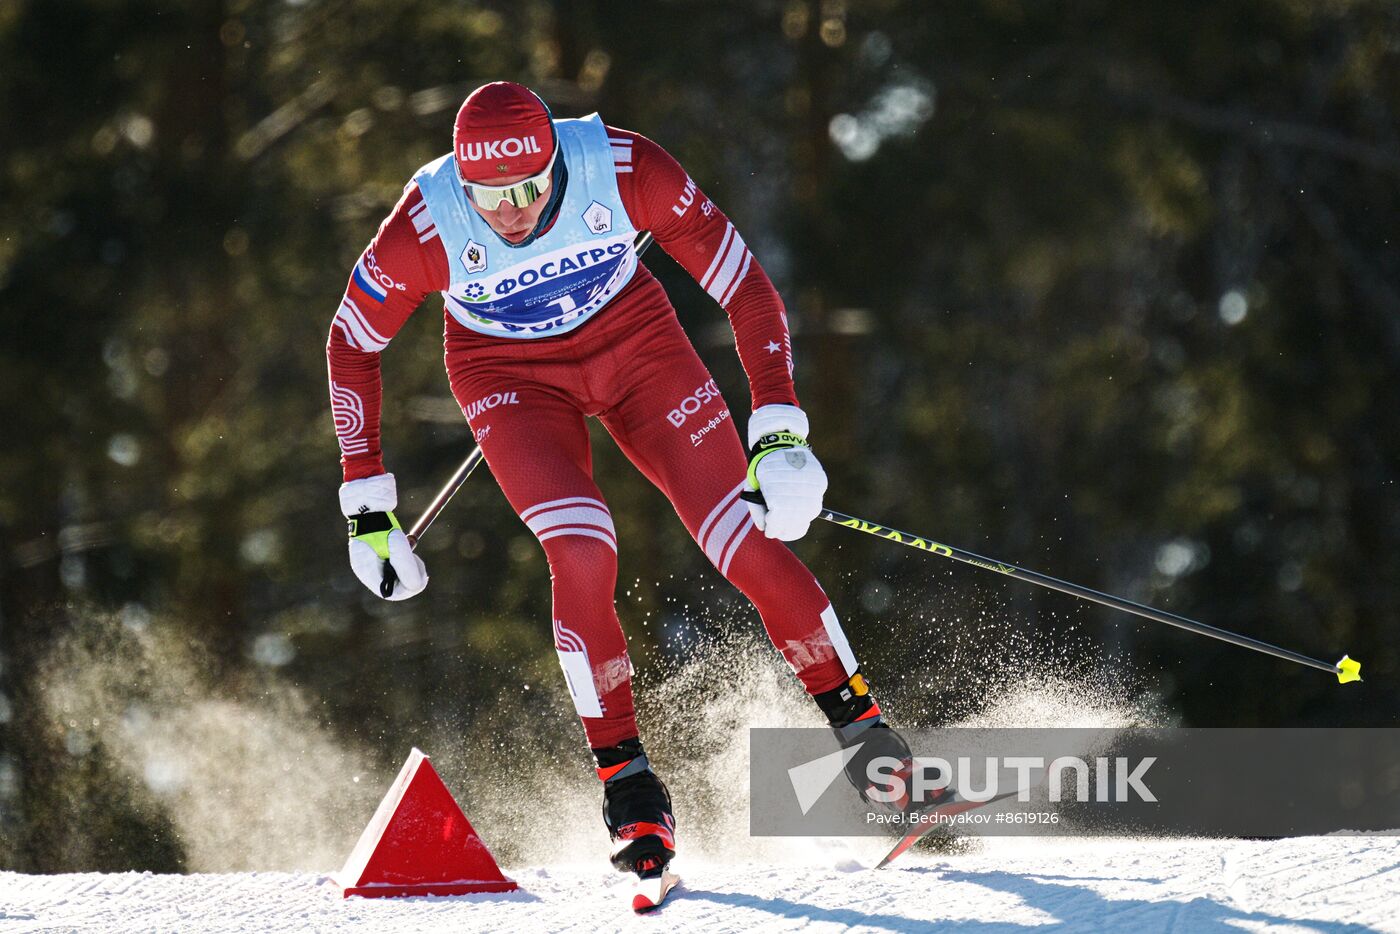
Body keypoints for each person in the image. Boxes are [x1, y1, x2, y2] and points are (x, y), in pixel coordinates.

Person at [327, 81, 911, 878]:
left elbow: (746, 287)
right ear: (463, 182)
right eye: (490, 197)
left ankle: (871, 746)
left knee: (744, 534)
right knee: (583, 549)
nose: (512, 215)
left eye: (531, 190)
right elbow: (350, 344)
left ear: (557, 166)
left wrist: (778, 432)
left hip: (637, 345)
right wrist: (367, 506)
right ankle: (630, 789)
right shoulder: (426, 223)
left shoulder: (626, 167)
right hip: (507, 375)